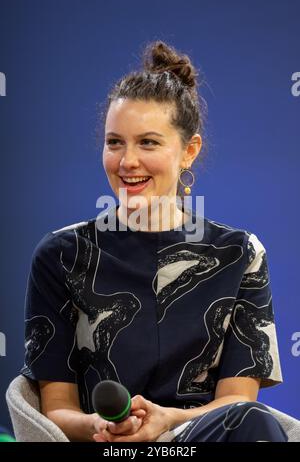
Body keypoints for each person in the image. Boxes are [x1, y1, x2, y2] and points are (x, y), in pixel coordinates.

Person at [20, 40, 287, 442]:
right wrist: (98, 425)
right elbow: (55, 409)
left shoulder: (240, 254)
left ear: (189, 151)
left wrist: (167, 421)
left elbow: (238, 405)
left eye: (148, 142)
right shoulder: (61, 255)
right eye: (115, 142)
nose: (127, 161)